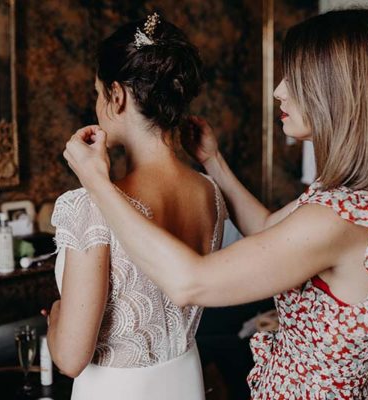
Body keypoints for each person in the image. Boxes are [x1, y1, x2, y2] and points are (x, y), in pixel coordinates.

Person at [62, 8, 368, 399]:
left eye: (295, 78)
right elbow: (271, 232)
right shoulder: (360, 198)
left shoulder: (340, 219)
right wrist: (213, 162)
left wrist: (96, 183)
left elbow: (189, 282)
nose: (279, 91)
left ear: (340, 92)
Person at [45, 13, 227, 400]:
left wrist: (58, 316)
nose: (98, 105)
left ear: (117, 96)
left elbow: (70, 358)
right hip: (185, 381)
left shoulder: (89, 206)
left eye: (98, 93)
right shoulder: (209, 193)